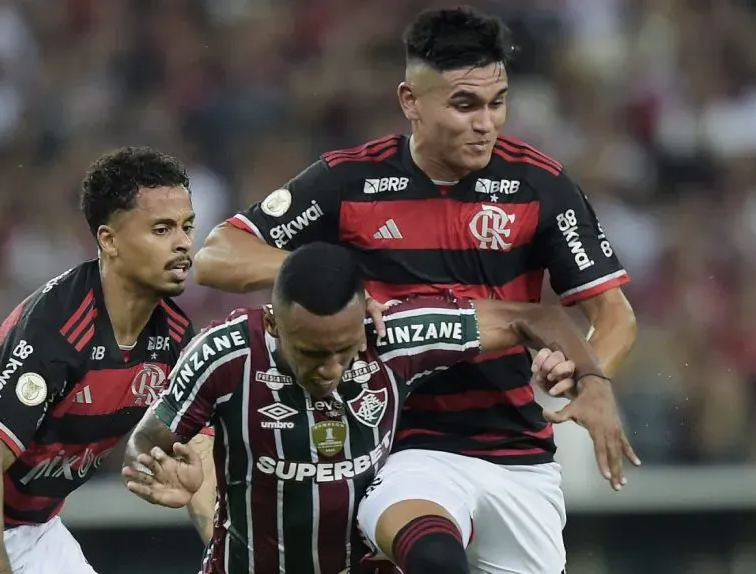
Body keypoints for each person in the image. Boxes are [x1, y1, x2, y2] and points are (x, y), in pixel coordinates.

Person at [191, 7, 640, 574]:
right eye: (464, 104)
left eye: (497, 102)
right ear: (411, 102)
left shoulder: (540, 185)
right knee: (432, 558)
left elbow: (614, 316)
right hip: (404, 446)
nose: (486, 123)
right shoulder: (349, 180)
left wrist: (590, 374)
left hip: (519, 454)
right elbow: (216, 255)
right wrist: (331, 276)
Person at [120, 242, 634, 574]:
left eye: (344, 351)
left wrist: (592, 379)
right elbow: (145, 443)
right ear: (275, 325)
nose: (331, 369)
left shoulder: (395, 337)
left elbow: (533, 317)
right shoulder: (224, 353)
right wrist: (168, 474)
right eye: (313, 354)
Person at [0, 147, 217, 574]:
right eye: (162, 229)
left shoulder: (175, 336)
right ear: (109, 240)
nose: (182, 243)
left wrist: (229, 555)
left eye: (187, 226)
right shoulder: (57, 329)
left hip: (37, 533)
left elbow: (198, 455)